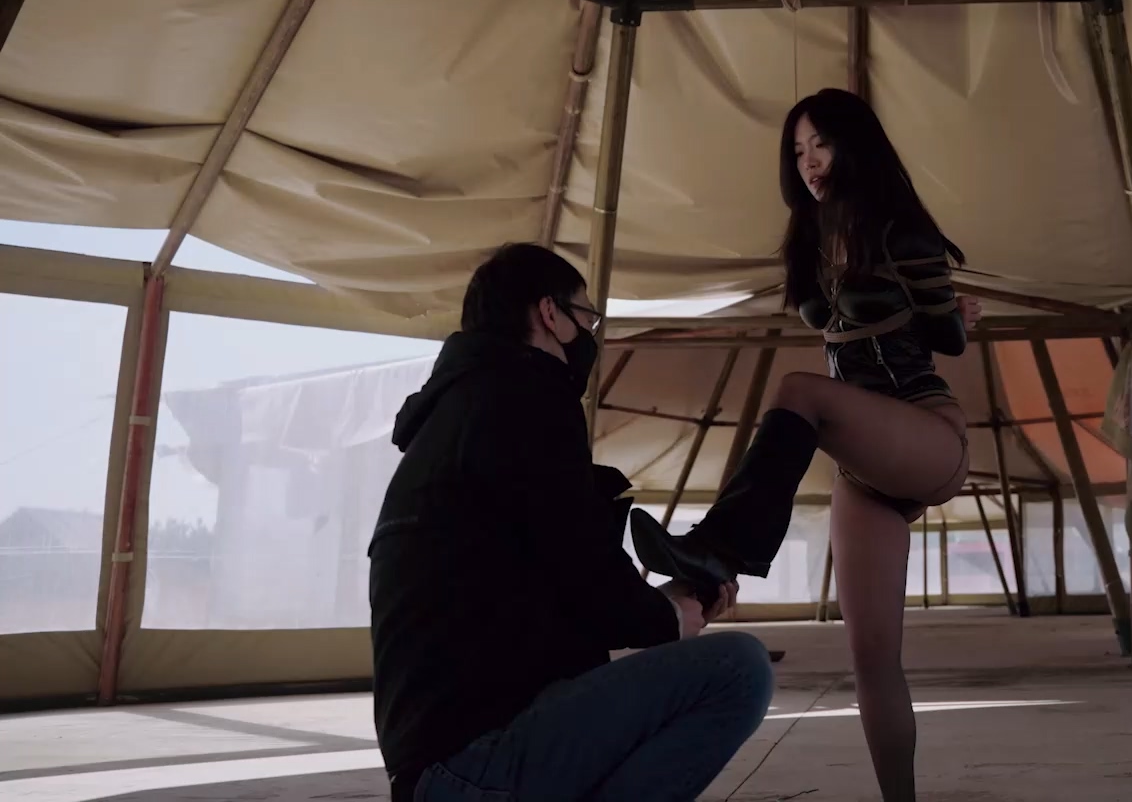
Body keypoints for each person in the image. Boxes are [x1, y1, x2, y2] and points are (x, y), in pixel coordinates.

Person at [629, 87, 982, 802]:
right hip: (865, 466)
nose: (810, 161)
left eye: (821, 143)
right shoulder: (811, 241)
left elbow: (947, 340)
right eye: (797, 150)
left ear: (854, 145)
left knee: (798, 390)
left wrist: (956, 309)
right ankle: (700, 585)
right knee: (871, 659)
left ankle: (719, 552)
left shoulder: (902, 231)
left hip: (925, 430)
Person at [368, 243, 774, 802]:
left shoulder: (456, 419)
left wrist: (659, 609)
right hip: (474, 762)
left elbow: (551, 585)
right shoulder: (525, 397)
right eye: (588, 317)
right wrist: (663, 619)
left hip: (434, 766)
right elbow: (582, 564)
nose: (590, 334)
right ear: (550, 314)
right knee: (739, 669)